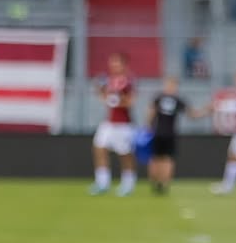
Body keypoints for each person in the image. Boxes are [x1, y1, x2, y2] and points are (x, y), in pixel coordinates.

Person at [146, 77, 210, 195]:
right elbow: (193, 115)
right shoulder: (177, 100)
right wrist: (206, 110)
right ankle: (163, 184)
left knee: (157, 158)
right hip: (169, 133)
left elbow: (150, 114)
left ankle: (156, 183)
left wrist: (148, 128)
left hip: (158, 132)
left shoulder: (159, 98)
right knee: (166, 159)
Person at [89, 53, 137, 197]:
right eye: (112, 62)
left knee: (125, 154)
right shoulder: (109, 80)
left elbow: (130, 101)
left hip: (123, 124)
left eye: (116, 62)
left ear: (124, 64)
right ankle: (103, 182)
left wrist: (116, 101)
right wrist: (100, 91)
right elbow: (104, 97)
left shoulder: (128, 81)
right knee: (99, 148)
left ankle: (128, 183)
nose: (113, 65)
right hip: (109, 122)